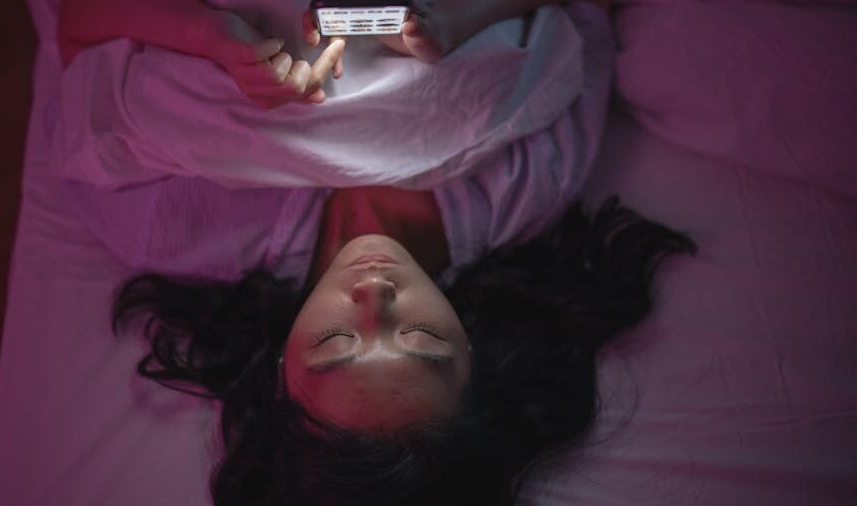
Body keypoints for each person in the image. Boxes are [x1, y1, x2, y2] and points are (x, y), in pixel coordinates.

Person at [60, 0, 694, 504]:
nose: (374, 295)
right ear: (471, 352)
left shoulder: (171, 226)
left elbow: (79, 24)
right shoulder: (530, 184)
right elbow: (585, 9)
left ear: (280, 375)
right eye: (421, 337)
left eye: (336, 344)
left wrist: (212, 40)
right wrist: (459, 20)